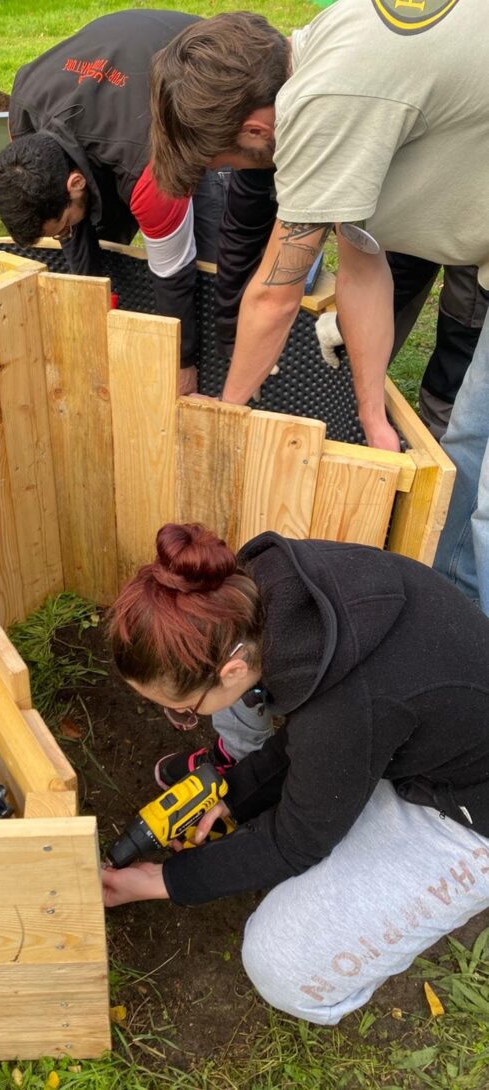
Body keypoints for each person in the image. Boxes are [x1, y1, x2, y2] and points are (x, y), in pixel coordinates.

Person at [102, 522, 489, 1024]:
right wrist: (236, 797)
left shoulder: (349, 711)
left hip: (471, 811)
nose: (185, 719)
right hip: (417, 730)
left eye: (185, 710)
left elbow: (296, 841)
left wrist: (163, 880)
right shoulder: (272, 594)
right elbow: (317, 728)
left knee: (281, 966)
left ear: (233, 671)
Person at [149, 2, 489, 451]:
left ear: (254, 130)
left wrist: (224, 420)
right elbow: (362, 266)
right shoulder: (325, 46)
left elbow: (275, 297)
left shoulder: (322, 106)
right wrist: (372, 418)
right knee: (471, 430)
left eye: (226, 164)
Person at [0, 9, 231, 396]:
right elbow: (77, 235)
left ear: (75, 182)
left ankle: (225, 374)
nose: (65, 234)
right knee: (98, 229)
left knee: (215, 261)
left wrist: (182, 369)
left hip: (208, 75)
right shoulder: (25, 118)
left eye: (61, 227)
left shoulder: (151, 170)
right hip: (122, 77)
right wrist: (93, 308)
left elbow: (174, 275)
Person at [215, 165, 488, 440]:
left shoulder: (340, 159)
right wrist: (231, 342)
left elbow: (383, 269)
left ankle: (441, 432)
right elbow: (241, 234)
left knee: (464, 327)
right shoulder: (261, 163)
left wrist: (346, 326)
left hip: (471, 206)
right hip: (417, 202)